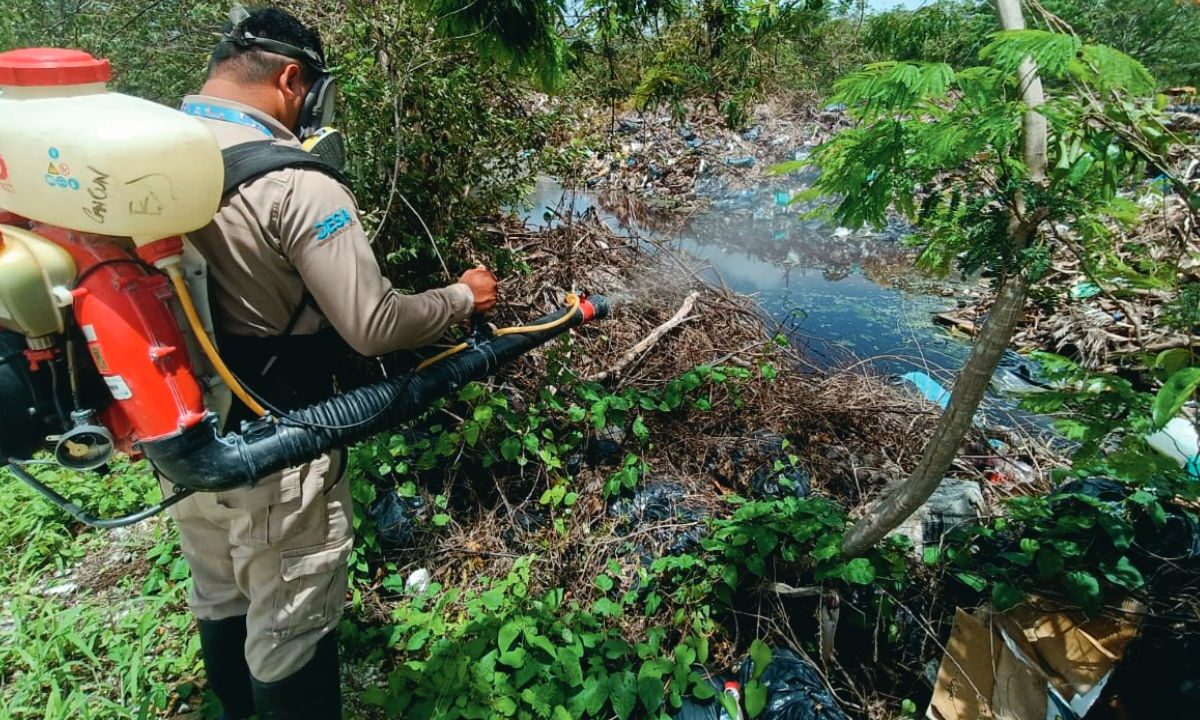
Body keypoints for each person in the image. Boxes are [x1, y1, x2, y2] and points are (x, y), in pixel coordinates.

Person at [164, 7, 498, 719]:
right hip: (278, 447)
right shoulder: (296, 183)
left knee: (220, 592)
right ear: (291, 78)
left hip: (185, 438)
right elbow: (374, 324)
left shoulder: (152, 155)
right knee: (290, 625)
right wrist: (461, 298)